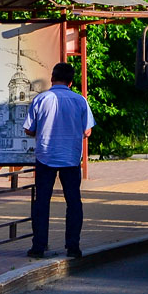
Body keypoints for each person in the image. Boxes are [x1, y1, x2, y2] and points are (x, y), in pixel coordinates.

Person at [23, 61, 95, 258]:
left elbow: (29, 128)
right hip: (71, 159)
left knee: (42, 202)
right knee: (73, 202)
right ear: (71, 82)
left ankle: (38, 246)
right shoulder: (80, 101)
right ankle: (73, 246)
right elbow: (87, 131)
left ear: (52, 78)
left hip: (45, 157)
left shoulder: (41, 99)